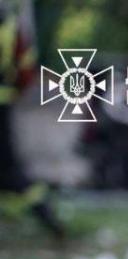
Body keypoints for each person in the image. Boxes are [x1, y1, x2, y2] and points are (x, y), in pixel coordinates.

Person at [0, 0, 61, 238]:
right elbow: (26, 68)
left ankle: (45, 214)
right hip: (5, 102)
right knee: (9, 168)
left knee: (9, 169)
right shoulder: (11, 26)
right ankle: (45, 213)